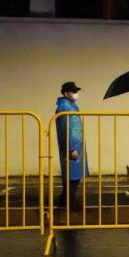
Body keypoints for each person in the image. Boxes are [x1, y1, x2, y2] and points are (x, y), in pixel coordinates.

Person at [55, 81, 88, 210]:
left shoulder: (70, 105)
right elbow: (67, 129)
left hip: (75, 144)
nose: (76, 94)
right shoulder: (65, 107)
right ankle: (69, 202)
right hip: (72, 146)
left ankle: (64, 199)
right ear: (66, 93)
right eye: (74, 92)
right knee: (73, 176)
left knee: (73, 174)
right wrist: (72, 148)